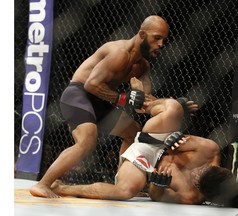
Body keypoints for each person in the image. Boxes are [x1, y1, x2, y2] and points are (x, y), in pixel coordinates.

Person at [30, 15, 199, 198]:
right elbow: (91, 85)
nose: (161, 44)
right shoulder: (119, 52)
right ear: (142, 34)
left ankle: (122, 183)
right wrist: (124, 99)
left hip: (102, 100)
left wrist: (172, 104)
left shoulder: (142, 67)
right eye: (157, 37)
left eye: (164, 40)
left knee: (133, 132)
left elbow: (144, 102)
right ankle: (43, 184)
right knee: (87, 140)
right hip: (79, 95)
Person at [49, 79, 238, 205]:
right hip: (158, 142)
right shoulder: (210, 150)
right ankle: (143, 105)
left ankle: (63, 187)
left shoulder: (190, 196)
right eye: (202, 170)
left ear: (201, 191)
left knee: (124, 191)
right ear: (213, 167)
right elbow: (181, 141)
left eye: (196, 179)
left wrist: (159, 184)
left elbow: (157, 195)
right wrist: (175, 139)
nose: (195, 172)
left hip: (146, 160)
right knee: (175, 108)